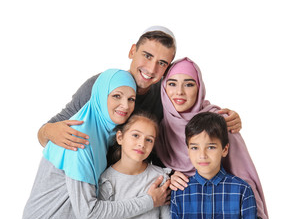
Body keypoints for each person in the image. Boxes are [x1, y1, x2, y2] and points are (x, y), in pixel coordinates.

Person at [37, 26, 242, 153]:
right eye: (147, 55)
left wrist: (223, 116)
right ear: (132, 51)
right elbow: (47, 131)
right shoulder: (101, 85)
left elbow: (192, 109)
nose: (151, 69)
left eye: (162, 63)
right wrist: (48, 131)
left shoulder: (164, 95)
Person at [20, 69, 170, 219]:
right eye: (116, 96)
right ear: (100, 95)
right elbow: (87, 212)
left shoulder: (102, 135)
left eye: (131, 99)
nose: (125, 105)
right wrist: (149, 201)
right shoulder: (78, 137)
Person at [155, 57, 270, 219]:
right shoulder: (158, 129)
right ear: (163, 88)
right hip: (184, 204)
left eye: (189, 84)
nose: (179, 92)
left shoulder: (219, 122)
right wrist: (169, 175)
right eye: (172, 84)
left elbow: (243, 171)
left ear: (199, 88)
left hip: (228, 205)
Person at [171, 112, 257, 219]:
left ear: (225, 149)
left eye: (211, 147)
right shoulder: (179, 192)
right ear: (188, 150)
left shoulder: (242, 190)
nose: (202, 155)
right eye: (195, 148)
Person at [96, 111, 172, 219]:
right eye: (136, 135)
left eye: (149, 140)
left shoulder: (159, 176)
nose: (142, 144)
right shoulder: (107, 181)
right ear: (120, 137)